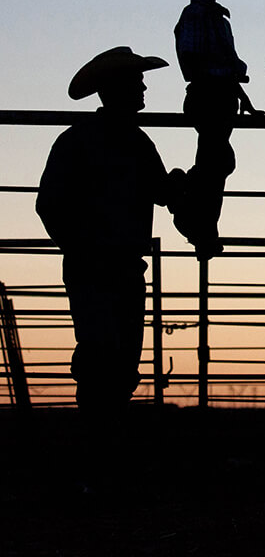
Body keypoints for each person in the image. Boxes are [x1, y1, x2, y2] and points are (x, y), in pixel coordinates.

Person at [36, 46, 176, 486]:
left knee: (104, 356)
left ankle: (102, 456)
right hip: (113, 264)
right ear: (118, 88)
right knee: (113, 358)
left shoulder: (80, 138)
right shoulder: (133, 140)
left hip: (97, 263)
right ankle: (107, 456)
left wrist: (78, 247)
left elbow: (48, 205)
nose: (143, 87)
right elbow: (164, 193)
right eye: (136, 81)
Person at [168, 0, 264, 259]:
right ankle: (199, 224)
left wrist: (243, 99)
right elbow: (194, 63)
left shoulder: (215, 17)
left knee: (216, 161)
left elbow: (217, 67)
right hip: (209, 96)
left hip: (220, 97)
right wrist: (225, 79)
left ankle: (195, 216)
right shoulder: (197, 15)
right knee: (216, 161)